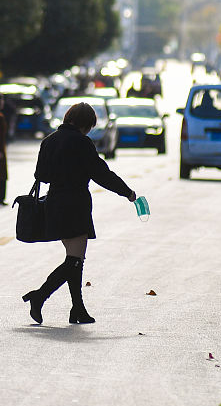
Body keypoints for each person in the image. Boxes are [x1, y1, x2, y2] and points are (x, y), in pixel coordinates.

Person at [22, 101, 136, 325]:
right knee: (74, 261)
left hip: (54, 204)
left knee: (74, 260)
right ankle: (40, 296)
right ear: (85, 124)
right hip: (74, 205)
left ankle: (78, 309)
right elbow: (101, 174)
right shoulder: (82, 143)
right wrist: (127, 192)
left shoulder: (49, 141)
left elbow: (41, 175)